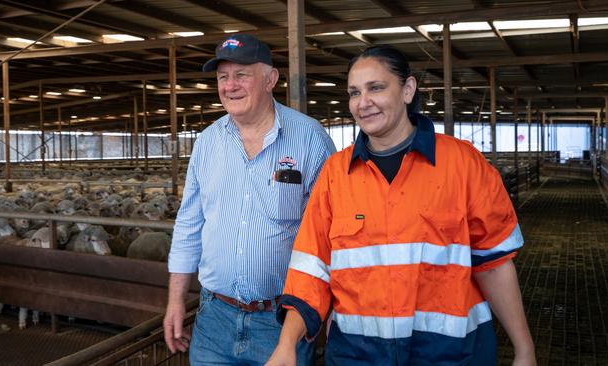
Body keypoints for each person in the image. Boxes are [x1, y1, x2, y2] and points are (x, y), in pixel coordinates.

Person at [267, 46, 536, 366]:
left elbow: (494, 262)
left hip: (449, 354)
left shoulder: (462, 164)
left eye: (376, 88)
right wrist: (287, 345)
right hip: (358, 354)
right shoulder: (336, 174)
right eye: (354, 92)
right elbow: (311, 271)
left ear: (407, 90)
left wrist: (524, 348)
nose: (362, 102)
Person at [163, 34, 336, 366]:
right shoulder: (207, 142)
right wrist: (175, 302)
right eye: (222, 77)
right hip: (214, 316)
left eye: (242, 74)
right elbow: (188, 227)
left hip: (283, 322)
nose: (230, 85)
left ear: (270, 79)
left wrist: (332, 307)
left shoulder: (310, 138)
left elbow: (331, 231)